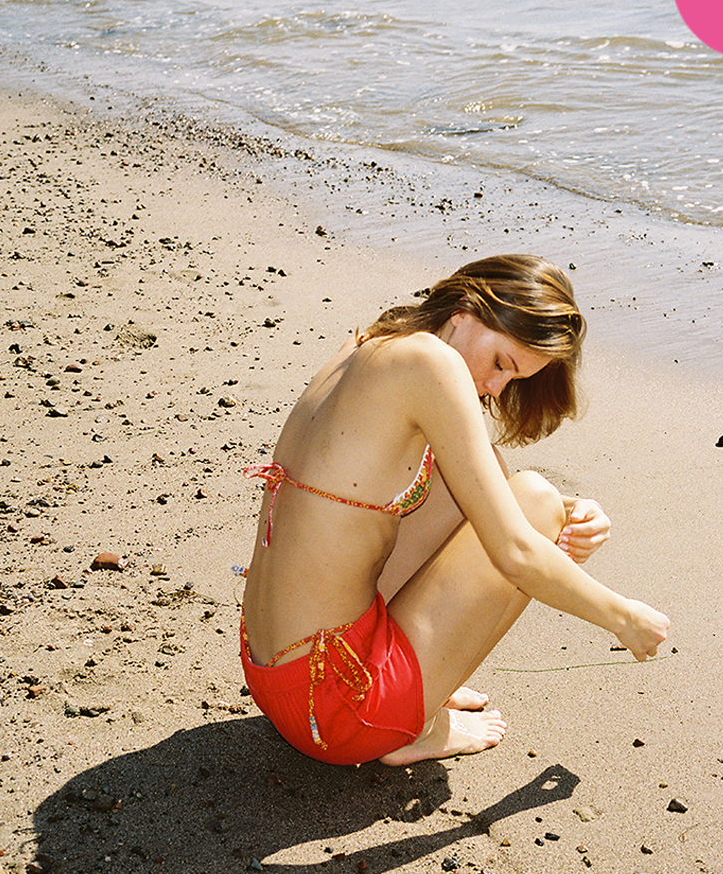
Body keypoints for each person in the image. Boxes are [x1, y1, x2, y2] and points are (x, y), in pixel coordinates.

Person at [240, 253, 669, 768]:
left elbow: (477, 484)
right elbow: (514, 548)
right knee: (532, 501)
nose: (495, 387)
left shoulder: (370, 346)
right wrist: (623, 618)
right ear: (466, 309)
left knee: (502, 485)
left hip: (274, 674)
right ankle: (418, 728)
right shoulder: (430, 364)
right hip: (337, 713)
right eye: (502, 364)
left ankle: (424, 682)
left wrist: (570, 510)